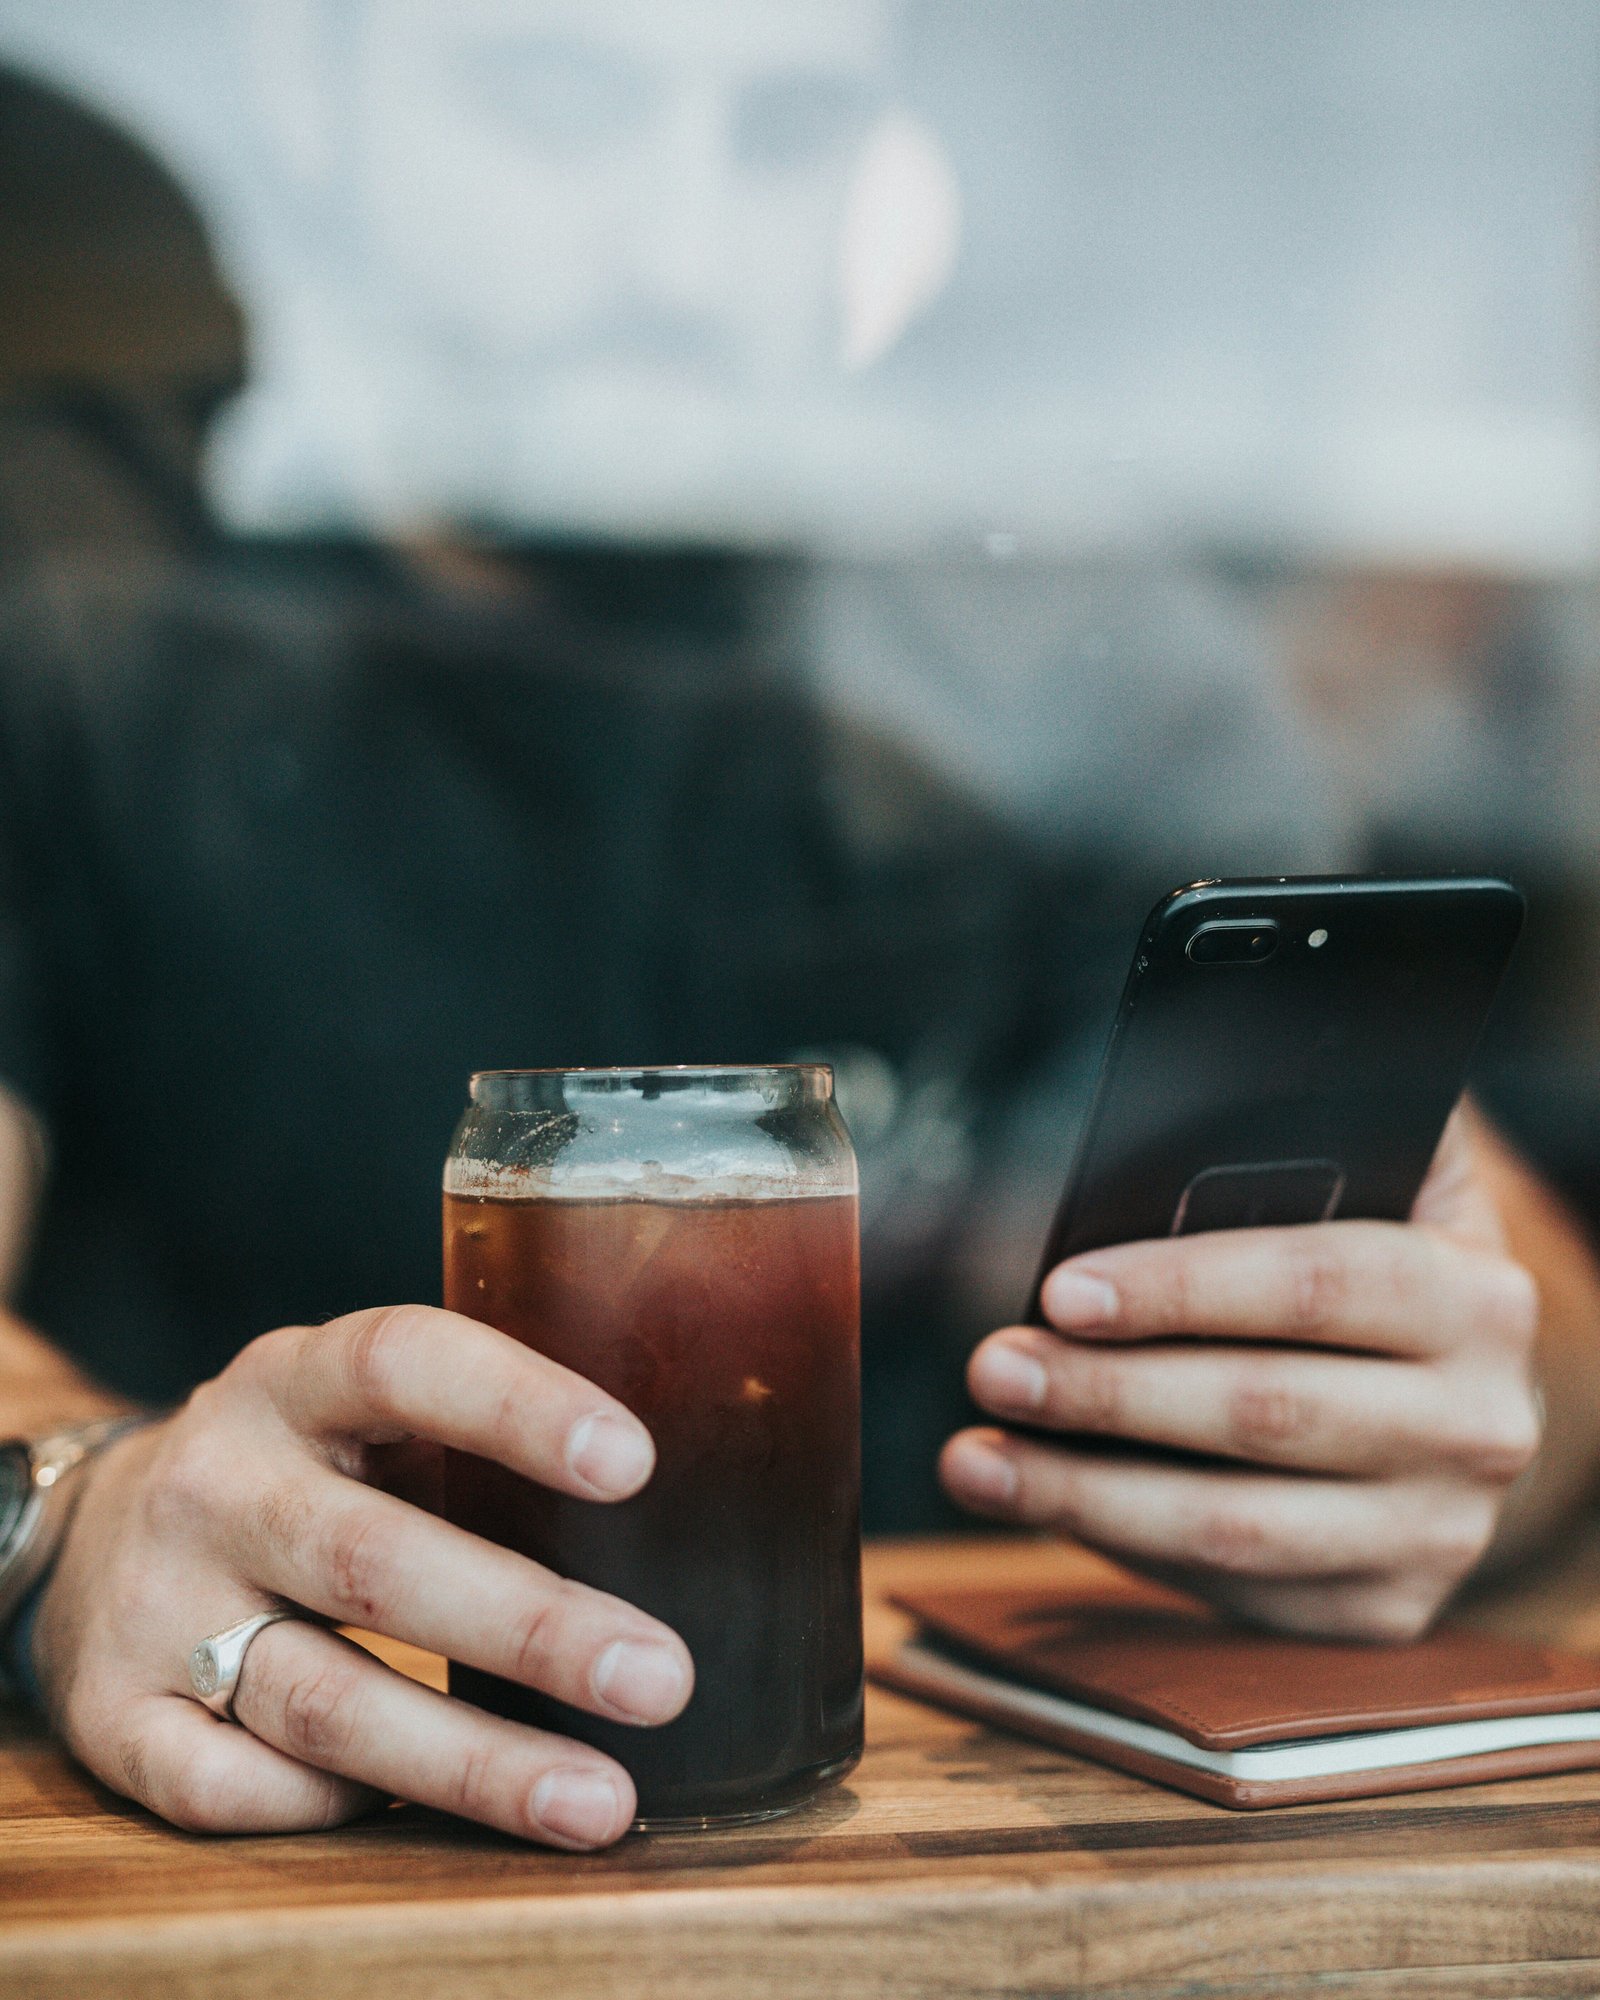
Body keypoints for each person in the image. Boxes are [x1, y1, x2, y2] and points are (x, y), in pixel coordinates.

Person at [0, 63, 1596, 1856]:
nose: (684, 256)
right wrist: (70, 1505)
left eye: (784, 137)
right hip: (336, 1873)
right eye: (567, 105)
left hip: (988, 1857)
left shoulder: (1049, 653)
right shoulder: (91, 600)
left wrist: (1482, 1416)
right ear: (328, 123)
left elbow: (1481, 1248)